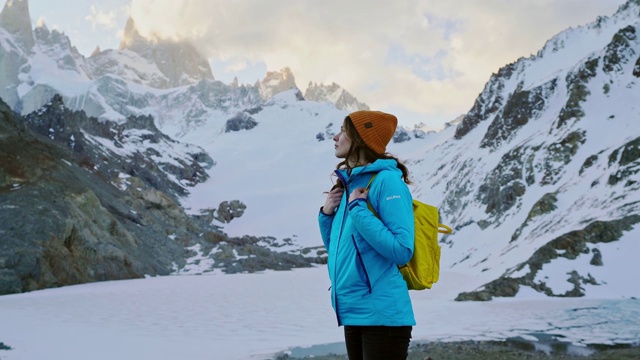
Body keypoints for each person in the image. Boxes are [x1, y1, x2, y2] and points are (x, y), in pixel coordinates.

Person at [318, 110, 415, 360]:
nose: (335, 136)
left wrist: (358, 210)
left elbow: (402, 249)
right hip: (354, 312)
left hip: (383, 314)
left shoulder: (387, 182)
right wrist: (327, 215)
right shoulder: (349, 185)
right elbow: (340, 251)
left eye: (343, 131)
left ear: (360, 138)